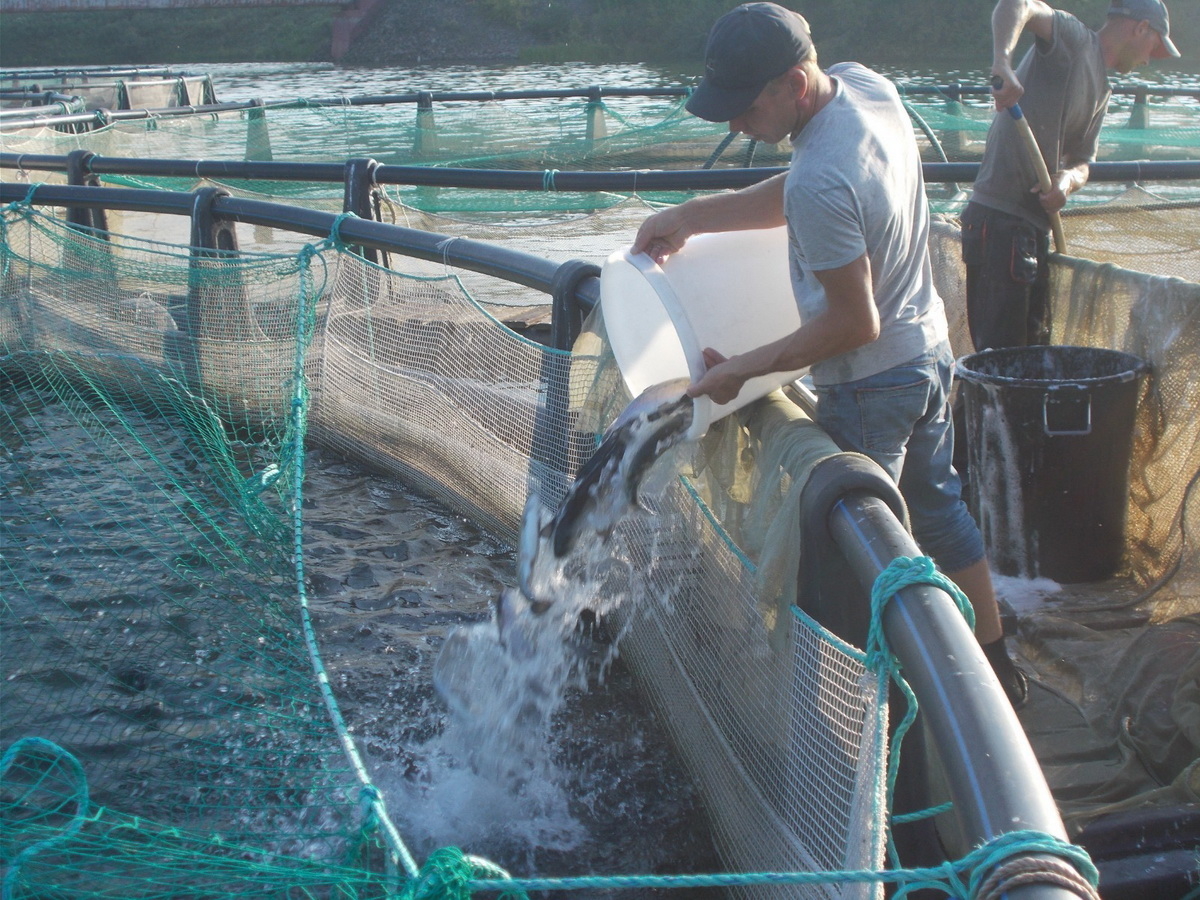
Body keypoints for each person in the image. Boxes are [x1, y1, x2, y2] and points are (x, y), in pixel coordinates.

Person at [631, 2, 1027, 706]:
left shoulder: (820, 179)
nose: (734, 125)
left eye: (745, 107)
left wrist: (736, 369)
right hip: (932, 352)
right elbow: (805, 187)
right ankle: (996, 671)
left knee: (851, 552)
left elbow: (853, 323)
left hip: (872, 384)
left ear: (792, 83)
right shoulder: (865, 86)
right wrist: (692, 216)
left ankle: (848, 724)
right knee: (938, 513)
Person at [962, 0, 1180, 353]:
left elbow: (1083, 162)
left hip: (1036, 228)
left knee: (1034, 359)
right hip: (999, 222)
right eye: (1154, 47)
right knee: (1000, 363)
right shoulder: (1076, 41)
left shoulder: (1104, 90)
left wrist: (1066, 181)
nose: (1148, 60)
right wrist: (1002, 60)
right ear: (1140, 28)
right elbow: (1018, 4)